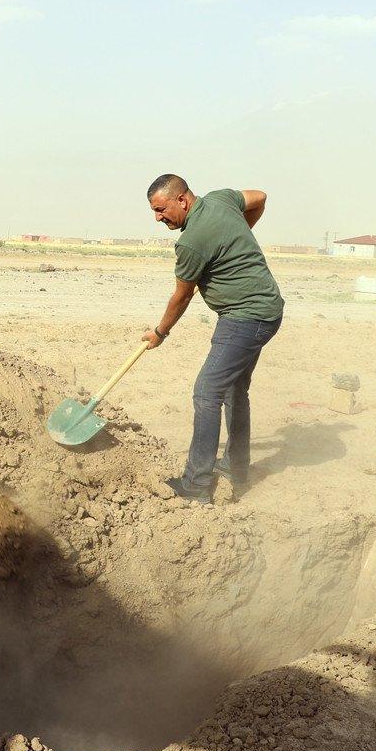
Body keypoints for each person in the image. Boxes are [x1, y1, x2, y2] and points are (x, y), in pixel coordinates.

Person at [141, 174, 284, 504]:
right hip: (268, 309)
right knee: (234, 388)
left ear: (182, 200)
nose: (158, 218)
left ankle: (196, 485)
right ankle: (236, 468)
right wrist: (240, 232)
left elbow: (182, 296)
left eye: (161, 210)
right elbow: (260, 195)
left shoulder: (191, 242)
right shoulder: (221, 199)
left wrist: (160, 333)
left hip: (244, 317)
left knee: (207, 392)